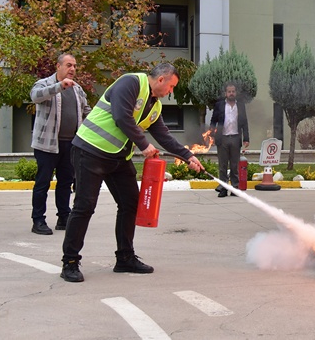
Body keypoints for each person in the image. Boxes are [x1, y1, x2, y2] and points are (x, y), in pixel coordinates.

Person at [60, 63, 204, 283]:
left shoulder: (155, 107)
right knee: (85, 206)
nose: (171, 92)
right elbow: (121, 116)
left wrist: (187, 156)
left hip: (117, 157)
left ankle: (125, 258)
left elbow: (163, 135)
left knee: (130, 204)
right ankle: (70, 262)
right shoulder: (131, 83)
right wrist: (144, 144)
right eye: (172, 86)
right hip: (90, 151)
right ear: (162, 80)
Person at [29, 54, 91, 235]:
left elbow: (86, 110)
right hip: (47, 146)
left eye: (75, 66)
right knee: (43, 183)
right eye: (69, 65)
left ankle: (64, 217)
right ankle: (38, 220)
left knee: (65, 183)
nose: (72, 69)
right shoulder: (44, 84)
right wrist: (59, 86)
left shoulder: (77, 89)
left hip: (71, 145)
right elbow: (35, 97)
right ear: (58, 66)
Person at [209, 81, 249, 197]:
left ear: (235, 93)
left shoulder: (240, 105)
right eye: (229, 91)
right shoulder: (220, 105)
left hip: (236, 138)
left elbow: (245, 122)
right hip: (223, 139)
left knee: (234, 165)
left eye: (233, 91)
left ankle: (235, 188)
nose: (231, 93)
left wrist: (246, 138)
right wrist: (211, 135)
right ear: (225, 93)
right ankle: (223, 188)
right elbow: (213, 120)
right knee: (222, 165)